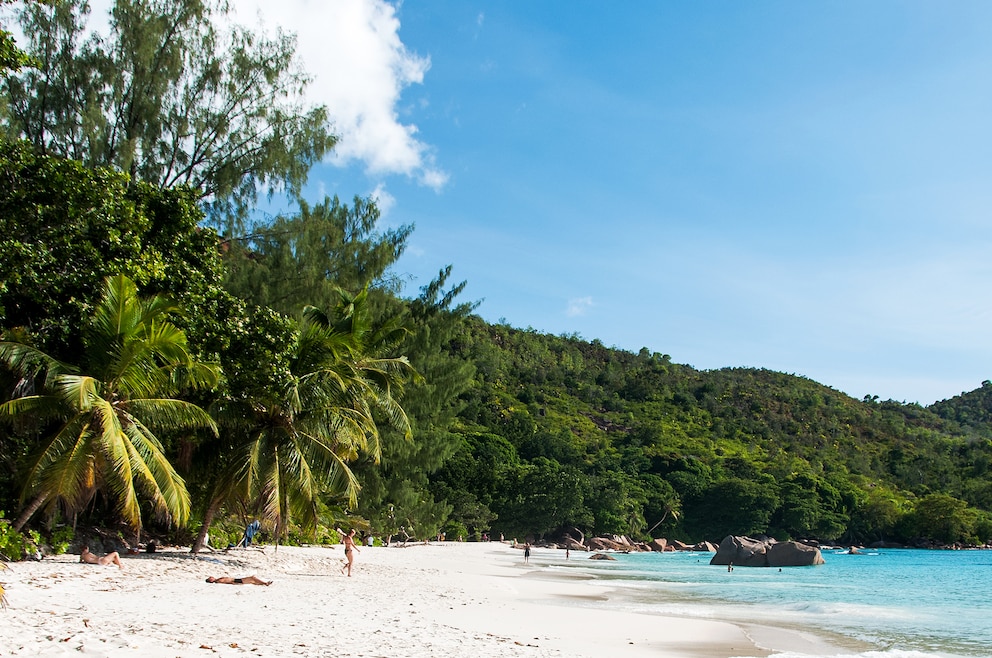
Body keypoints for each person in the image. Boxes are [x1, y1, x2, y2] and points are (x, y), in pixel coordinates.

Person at [205, 575, 272, 586]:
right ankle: (265, 583)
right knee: (252, 578)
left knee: (252, 581)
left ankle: (264, 583)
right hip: (236, 580)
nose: (211, 577)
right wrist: (235, 583)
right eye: (210, 578)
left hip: (236, 580)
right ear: (211, 581)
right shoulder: (218, 581)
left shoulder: (218, 580)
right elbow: (228, 582)